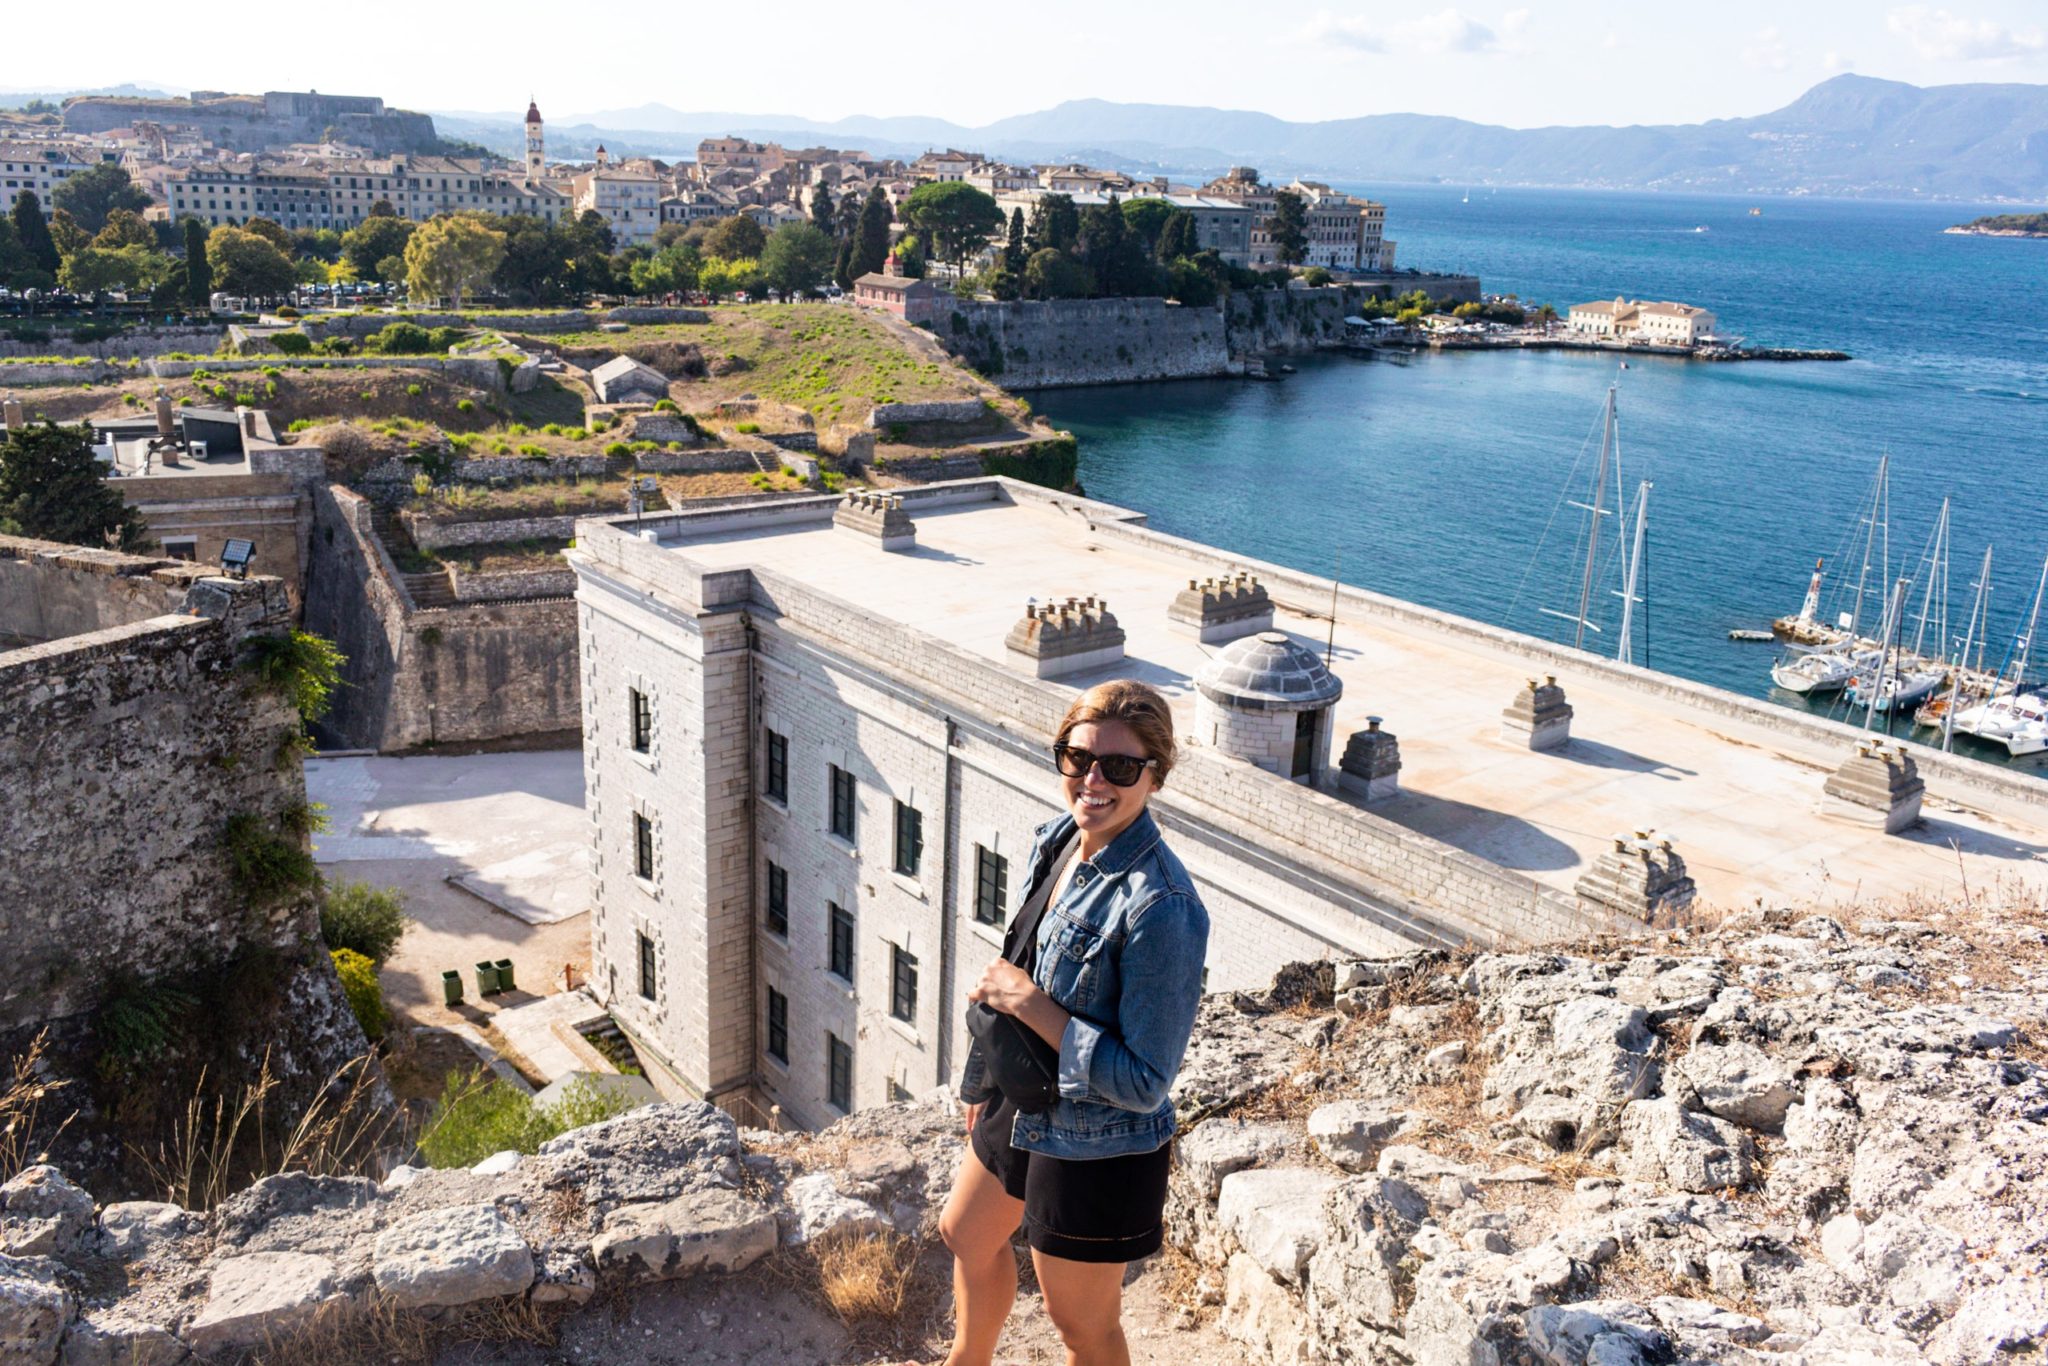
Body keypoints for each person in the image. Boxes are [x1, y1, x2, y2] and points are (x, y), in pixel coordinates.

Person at [935, 680, 1211, 1366]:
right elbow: (1012, 964)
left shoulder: (1162, 907)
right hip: (1024, 1096)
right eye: (1077, 758)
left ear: (1156, 775)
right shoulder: (1059, 839)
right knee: (965, 1232)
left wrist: (1033, 1005)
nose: (1093, 780)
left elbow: (1145, 1081)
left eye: (1120, 767)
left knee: (1079, 1325)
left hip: (1100, 1139)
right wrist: (980, 1081)